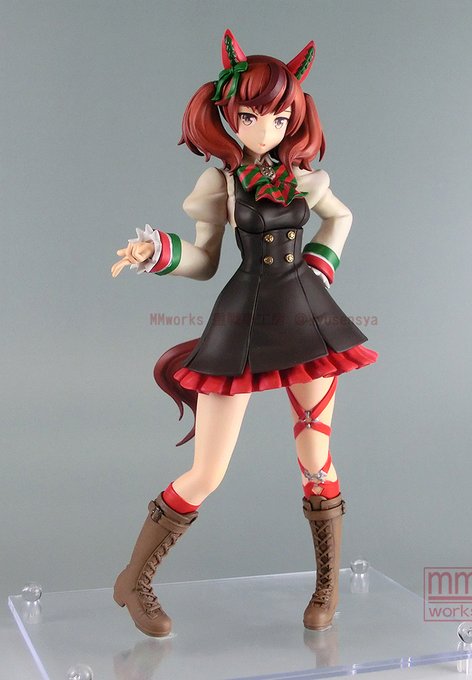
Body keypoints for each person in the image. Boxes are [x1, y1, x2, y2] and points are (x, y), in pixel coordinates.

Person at [111, 29, 378, 638]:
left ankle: (327, 585)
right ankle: (133, 580)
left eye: (280, 118)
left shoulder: (305, 178)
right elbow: (204, 260)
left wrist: (320, 265)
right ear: (228, 115)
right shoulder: (222, 184)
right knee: (207, 471)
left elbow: (341, 217)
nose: (266, 130)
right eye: (252, 117)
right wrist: (156, 252)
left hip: (308, 318)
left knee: (316, 460)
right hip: (243, 322)